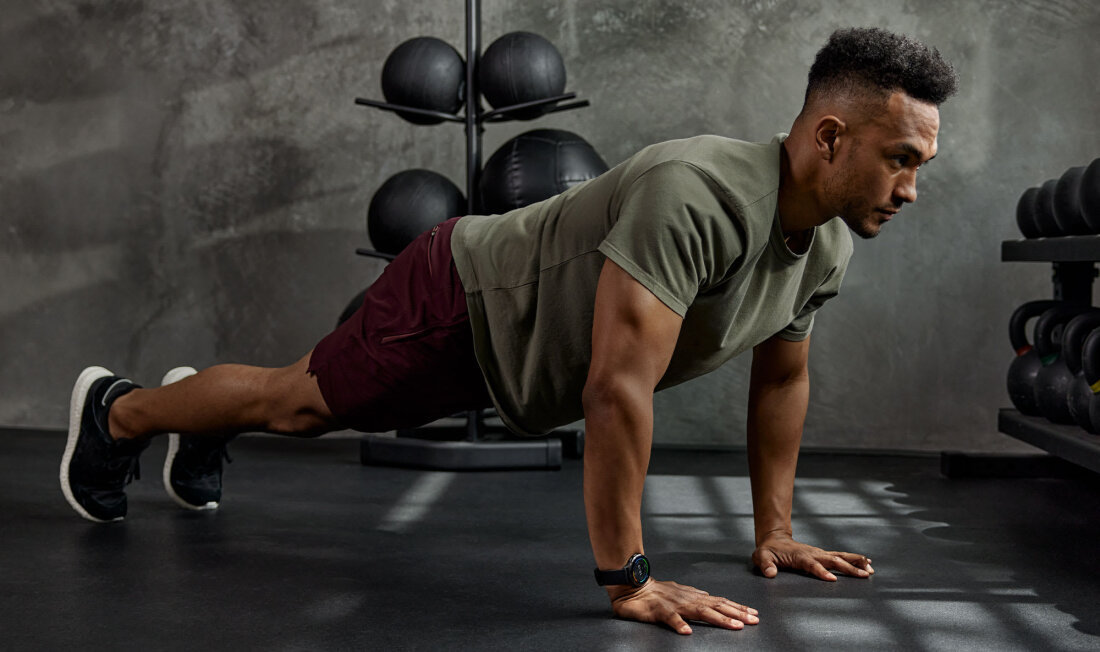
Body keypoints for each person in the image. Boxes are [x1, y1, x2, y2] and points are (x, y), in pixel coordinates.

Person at [60, 26, 957, 635]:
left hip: (512, 350)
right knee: (299, 406)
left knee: (292, 397)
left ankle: (196, 415)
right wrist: (629, 578)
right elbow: (615, 389)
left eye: (920, 165)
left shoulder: (825, 247)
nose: (911, 190)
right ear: (830, 138)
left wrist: (776, 531)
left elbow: (783, 379)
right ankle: (119, 412)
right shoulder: (698, 195)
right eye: (901, 160)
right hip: (462, 298)